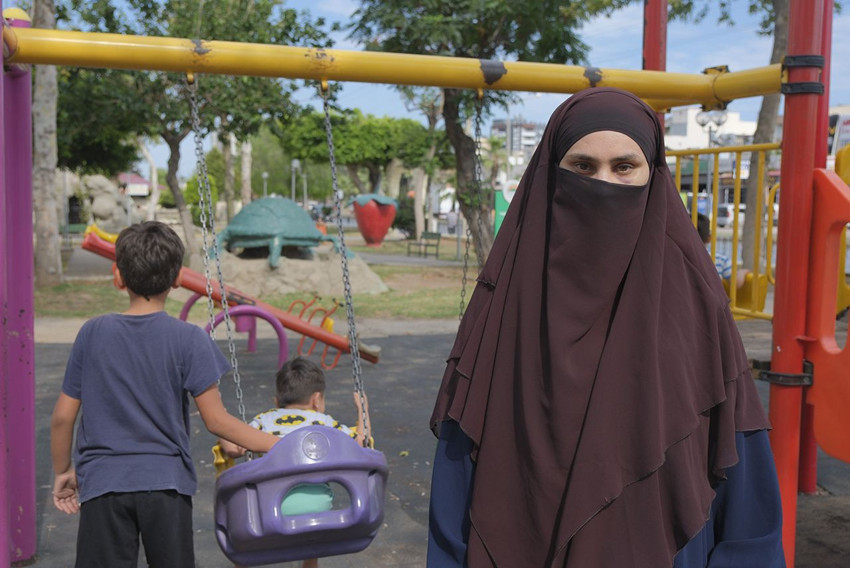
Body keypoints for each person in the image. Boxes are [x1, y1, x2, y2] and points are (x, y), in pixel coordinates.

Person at [427, 88, 784, 567]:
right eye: (581, 167)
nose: (603, 183)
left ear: (651, 174)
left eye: (624, 167)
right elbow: (458, 471)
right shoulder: (507, 301)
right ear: (551, 174)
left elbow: (743, 482)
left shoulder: (696, 303)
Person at [50, 221, 281, 568]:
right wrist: (280, 445)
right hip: (165, 484)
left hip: (104, 482)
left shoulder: (92, 332)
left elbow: (62, 417)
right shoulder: (189, 339)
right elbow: (217, 420)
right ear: (177, 280)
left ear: (119, 277)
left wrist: (64, 469)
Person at [219, 356, 371, 568]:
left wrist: (221, 419)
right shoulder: (325, 423)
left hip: (268, 513)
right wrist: (363, 410)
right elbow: (362, 443)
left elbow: (231, 448)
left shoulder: (263, 421)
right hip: (316, 510)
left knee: (244, 544)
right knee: (311, 542)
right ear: (317, 400)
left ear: (276, 401)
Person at [697, 212, 751, 291]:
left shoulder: (679, 258)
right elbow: (736, 283)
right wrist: (743, 272)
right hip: (711, 301)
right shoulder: (720, 260)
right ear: (709, 238)